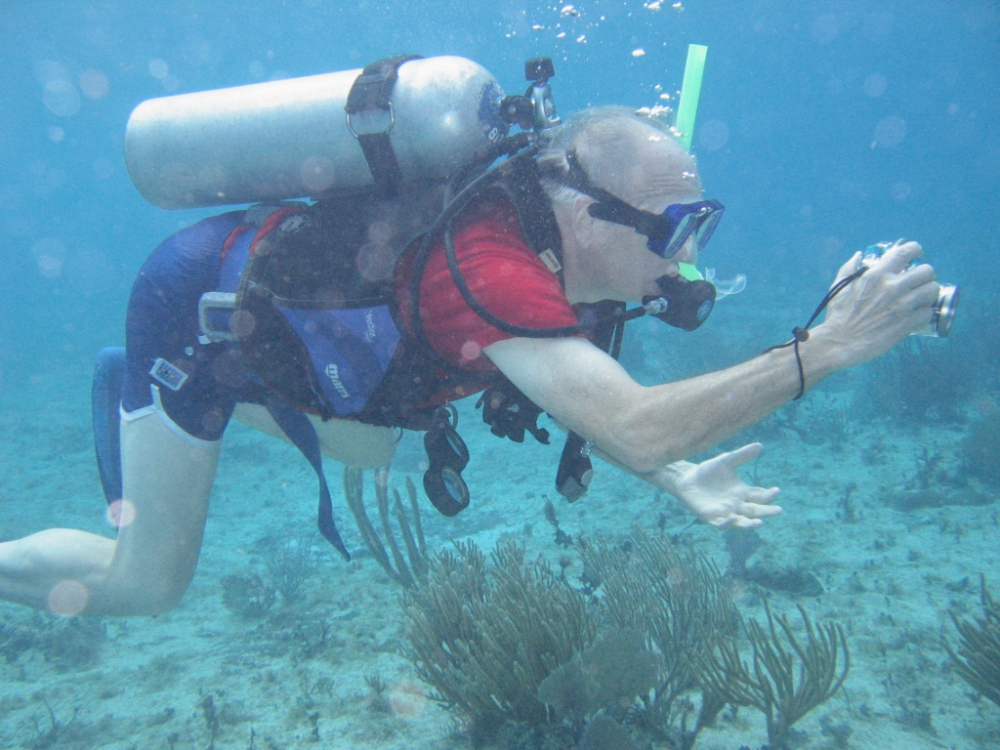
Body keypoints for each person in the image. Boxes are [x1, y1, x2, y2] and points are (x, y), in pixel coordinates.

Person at [0, 107, 939, 617]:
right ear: (580, 215)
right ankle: (145, 388)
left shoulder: (569, 254)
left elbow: (596, 404)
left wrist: (679, 477)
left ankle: (195, 394)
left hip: (330, 353)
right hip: (200, 318)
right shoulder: (488, 270)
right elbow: (630, 419)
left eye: (701, 223)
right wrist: (831, 347)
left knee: (375, 453)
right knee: (145, 586)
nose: (684, 256)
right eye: (674, 228)